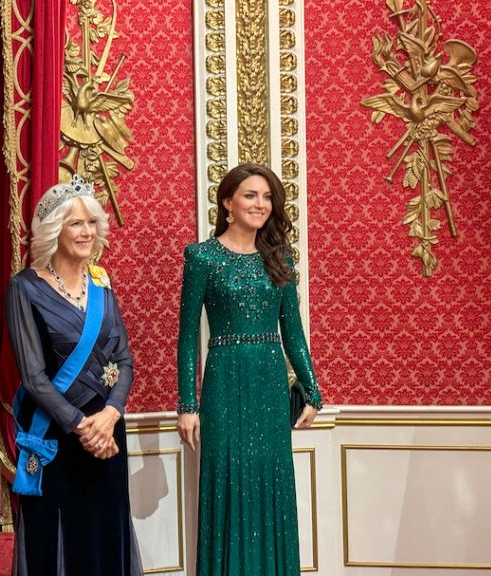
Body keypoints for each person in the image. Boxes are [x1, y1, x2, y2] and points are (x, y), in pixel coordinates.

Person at [176, 162, 323, 575]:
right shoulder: (202, 257)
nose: (261, 204)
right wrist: (187, 404)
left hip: (269, 385)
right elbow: (187, 337)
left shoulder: (279, 258)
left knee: (270, 483)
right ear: (228, 202)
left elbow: (294, 333)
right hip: (223, 384)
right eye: (250, 195)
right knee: (227, 481)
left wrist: (312, 391)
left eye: (267, 197)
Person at [6, 175, 142, 575]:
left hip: (108, 432)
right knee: (60, 538)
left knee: (105, 530)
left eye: (92, 222)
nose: (87, 232)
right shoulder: (25, 287)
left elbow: (124, 359)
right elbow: (33, 376)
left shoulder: (101, 282)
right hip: (59, 433)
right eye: (76, 223)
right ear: (54, 230)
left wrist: (111, 415)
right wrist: (83, 427)